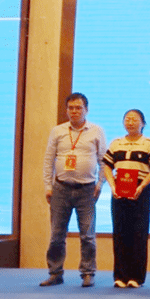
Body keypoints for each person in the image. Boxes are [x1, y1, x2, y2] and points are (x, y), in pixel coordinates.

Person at [40, 92, 107, 287]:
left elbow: (103, 161)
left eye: (79, 108)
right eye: (71, 108)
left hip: (87, 189)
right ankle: (55, 273)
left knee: (87, 235)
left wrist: (100, 184)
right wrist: (48, 186)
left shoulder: (96, 131)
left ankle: (88, 273)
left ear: (86, 109)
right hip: (60, 188)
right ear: (66, 110)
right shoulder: (58, 131)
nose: (74, 111)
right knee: (56, 235)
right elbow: (48, 160)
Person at [102, 109, 150, 288]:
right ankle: (120, 276)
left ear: (143, 123)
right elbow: (107, 165)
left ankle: (136, 277)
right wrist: (112, 186)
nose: (130, 122)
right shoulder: (116, 143)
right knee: (120, 232)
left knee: (139, 233)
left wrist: (142, 186)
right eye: (127, 119)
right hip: (119, 191)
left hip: (140, 191)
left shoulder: (148, 143)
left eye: (135, 119)